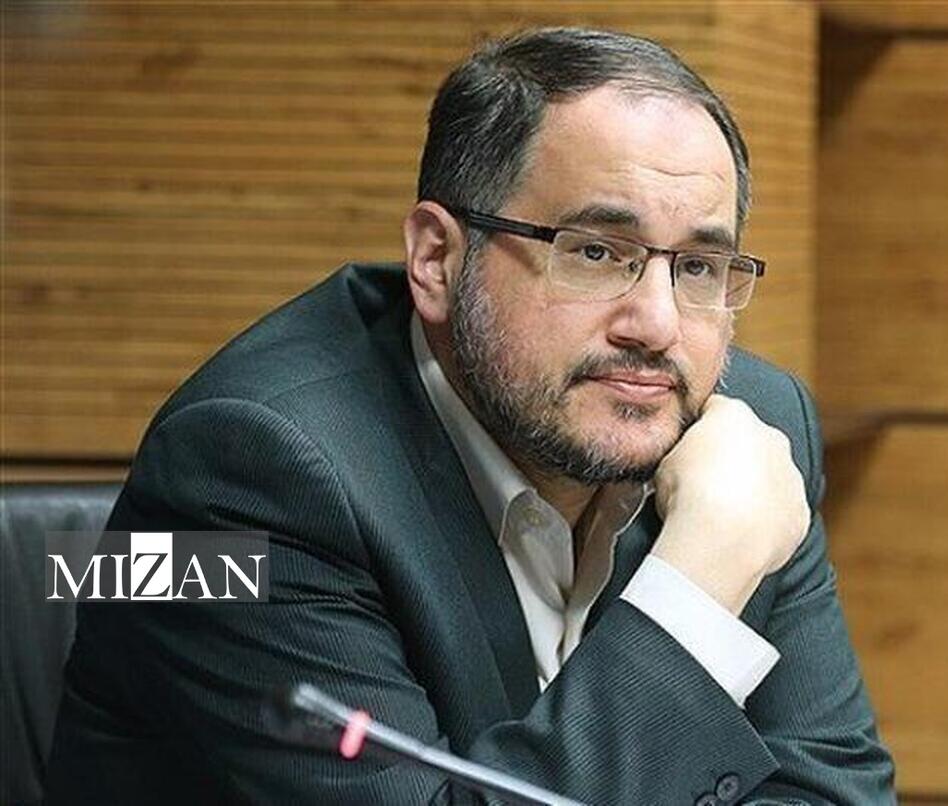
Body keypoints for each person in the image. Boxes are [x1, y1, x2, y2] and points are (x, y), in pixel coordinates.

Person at [46, 27, 895, 805]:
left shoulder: (746, 430)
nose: (657, 325)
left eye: (700, 267)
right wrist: (695, 586)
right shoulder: (244, 473)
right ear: (438, 259)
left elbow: (832, 791)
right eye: (596, 253)